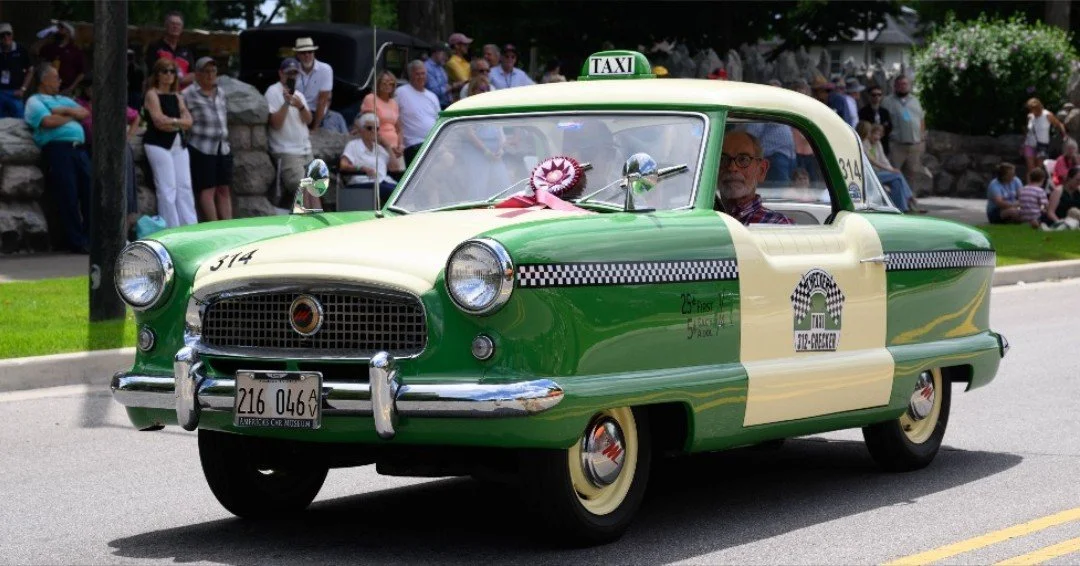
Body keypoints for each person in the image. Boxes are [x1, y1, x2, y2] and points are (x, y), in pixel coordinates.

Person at [24, 63, 92, 253]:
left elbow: (85, 112)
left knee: (89, 193)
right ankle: (76, 241)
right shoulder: (35, 101)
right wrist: (71, 116)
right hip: (58, 149)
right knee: (68, 195)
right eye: (56, 78)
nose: (59, 81)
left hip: (79, 149)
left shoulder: (62, 99)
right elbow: (47, 121)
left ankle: (89, 238)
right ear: (44, 80)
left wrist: (64, 111)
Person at [74, 75, 141, 233]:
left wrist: (128, 136)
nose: (93, 90)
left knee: (124, 189)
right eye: (90, 87)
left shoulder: (112, 102)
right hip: (93, 150)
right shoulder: (80, 105)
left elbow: (135, 116)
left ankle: (122, 233)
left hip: (118, 148)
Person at [144, 57, 197, 228]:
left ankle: (190, 227)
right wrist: (178, 122)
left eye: (172, 71)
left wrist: (172, 122)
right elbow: (159, 121)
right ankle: (171, 229)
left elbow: (189, 121)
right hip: (158, 144)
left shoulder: (177, 95)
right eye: (164, 71)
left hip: (178, 144)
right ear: (157, 74)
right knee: (168, 189)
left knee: (185, 187)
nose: (169, 75)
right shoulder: (152, 94)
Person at [183, 57, 233, 222]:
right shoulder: (188, 94)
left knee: (224, 189)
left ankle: (229, 226)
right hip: (201, 147)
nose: (210, 75)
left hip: (222, 147)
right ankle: (214, 227)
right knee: (207, 190)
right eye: (206, 71)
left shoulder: (221, 92)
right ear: (197, 74)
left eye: (213, 71)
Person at [266, 57, 318, 209]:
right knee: (304, 187)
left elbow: (309, 121)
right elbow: (275, 124)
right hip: (287, 152)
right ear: (280, 73)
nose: (291, 77)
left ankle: (319, 223)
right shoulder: (272, 91)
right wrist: (286, 103)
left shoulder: (299, 95)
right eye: (289, 73)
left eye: (295, 73)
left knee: (317, 188)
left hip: (306, 151)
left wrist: (300, 106)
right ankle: (310, 222)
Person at [716, 131, 793, 225]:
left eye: (743, 159)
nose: (732, 168)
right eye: (723, 159)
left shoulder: (778, 225)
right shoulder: (702, 220)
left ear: (761, 170)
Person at [857, 121, 922, 213]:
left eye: (879, 135)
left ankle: (902, 208)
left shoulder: (877, 144)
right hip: (871, 175)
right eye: (873, 133)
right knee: (898, 175)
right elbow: (873, 161)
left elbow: (884, 160)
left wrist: (891, 169)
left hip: (878, 173)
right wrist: (890, 170)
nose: (877, 137)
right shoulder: (863, 144)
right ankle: (910, 197)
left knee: (897, 181)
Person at [340, 112, 399, 204]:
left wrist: (387, 146)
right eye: (369, 128)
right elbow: (343, 165)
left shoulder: (379, 148)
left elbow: (395, 168)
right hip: (362, 181)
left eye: (376, 128)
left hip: (382, 181)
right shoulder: (353, 145)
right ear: (361, 129)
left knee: (403, 191)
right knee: (392, 191)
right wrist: (361, 168)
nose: (373, 131)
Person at [292, 37, 347, 134]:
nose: (307, 55)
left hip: (316, 112)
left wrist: (315, 128)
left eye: (310, 52)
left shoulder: (325, 69)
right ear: (298, 55)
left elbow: (322, 101)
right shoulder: (293, 70)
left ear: (314, 53)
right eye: (303, 52)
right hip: (297, 112)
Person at [880, 75, 926, 187]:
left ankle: (909, 201)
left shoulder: (915, 100)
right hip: (896, 145)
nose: (902, 86)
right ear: (895, 86)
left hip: (914, 146)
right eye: (899, 84)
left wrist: (922, 138)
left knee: (912, 175)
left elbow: (921, 119)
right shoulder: (887, 101)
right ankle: (894, 201)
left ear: (909, 86)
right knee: (893, 173)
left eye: (905, 84)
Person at [360, 70, 405, 176]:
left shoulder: (394, 103)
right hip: (378, 145)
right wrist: (388, 146)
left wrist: (400, 146)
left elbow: (399, 129)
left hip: (395, 149)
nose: (387, 85)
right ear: (378, 83)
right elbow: (369, 126)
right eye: (384, 82)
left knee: (400, 180)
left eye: (391, 83)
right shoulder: (371, 98)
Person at [396, 60, 440, 166]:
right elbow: (392, 114)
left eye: (423, 73)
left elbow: (439, 120)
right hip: (413, 144)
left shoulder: (432, 96)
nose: (421, 77)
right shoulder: (401, 92)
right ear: (410, 75)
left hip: (433, 142)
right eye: (417, 74)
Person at [143, 12, 195, 89]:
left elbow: (193, 75)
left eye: (178, 24)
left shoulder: (186, 51)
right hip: (160, 93)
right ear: (166, 26)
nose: (175, 26)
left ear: (181, 29)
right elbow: (154, 72)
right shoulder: (155, 47)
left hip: (181, 96)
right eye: (172, 23)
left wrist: (175, 79)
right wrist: (180, 79)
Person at [1022, 97, 1067, 175]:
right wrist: (1023, 143)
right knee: (1030, 169)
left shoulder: (1047, 115)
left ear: (1038, 107)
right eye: (1030, 109)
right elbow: (1028, 130)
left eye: (1033, 109)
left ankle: (1037, 185)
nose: (1031, 111)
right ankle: (1029, 186)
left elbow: (1059, 124)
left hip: (1042, 145)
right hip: (1029, 144)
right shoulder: (1030, 116)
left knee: (1038, 170)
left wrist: (1065, 136)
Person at [38, 21, 84, 96]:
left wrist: (70, 89)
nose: (58, 30)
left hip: (65, 90)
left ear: (69, 32)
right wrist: (46, 36)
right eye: (58, 28)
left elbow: (81, 73)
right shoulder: (50, 47)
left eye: (61, 28)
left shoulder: (75, 51)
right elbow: (35, 51)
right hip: (48, 88)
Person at [0, 22, 31, 118]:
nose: (6, 37)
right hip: (0, 91)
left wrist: (23, 89)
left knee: (19, 122)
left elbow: (30, 70)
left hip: (15, 92)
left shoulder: (21, 50)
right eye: (2, 35)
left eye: (8, 34)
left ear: (12, 35)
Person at [858, 83, 892, 155]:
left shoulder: (885, 112)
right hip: (868, 144)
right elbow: (863, 128)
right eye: (874, 95)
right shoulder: (863, 111)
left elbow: (889, 127)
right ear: (869, 96)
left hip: (883, 144)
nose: (877, 97)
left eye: (879, 95)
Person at [424, 42, 453, 109]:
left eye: (447, 55)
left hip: (446, 104)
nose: (446, 57)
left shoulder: (441, 68)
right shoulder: (427, 67)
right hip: (434, 105)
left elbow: (445, 85)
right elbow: (434, 91)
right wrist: (450, 88)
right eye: (444, 54)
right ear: (435, 52)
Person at [446, 32, 473, 99]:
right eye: (465, 44)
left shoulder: (465, 61)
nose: (467, 46)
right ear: (456, 46)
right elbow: (465, 80)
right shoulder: (452, 62)